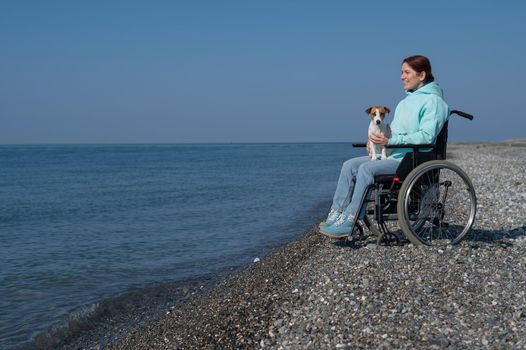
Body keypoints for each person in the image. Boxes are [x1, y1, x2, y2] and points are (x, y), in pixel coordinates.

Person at [319, 55, 449, 238]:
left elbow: (427, 136)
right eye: (401, 72)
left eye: (406, 72)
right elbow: (390, 132)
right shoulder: (404, 103)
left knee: (365, 169)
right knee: (349, 165)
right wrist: (375, 142)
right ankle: (337, 213)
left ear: (421, 75)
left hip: (412, 158)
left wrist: (390, 142)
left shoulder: (434, 102)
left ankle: (350, 219)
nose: (401, 77)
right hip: (393, 154)